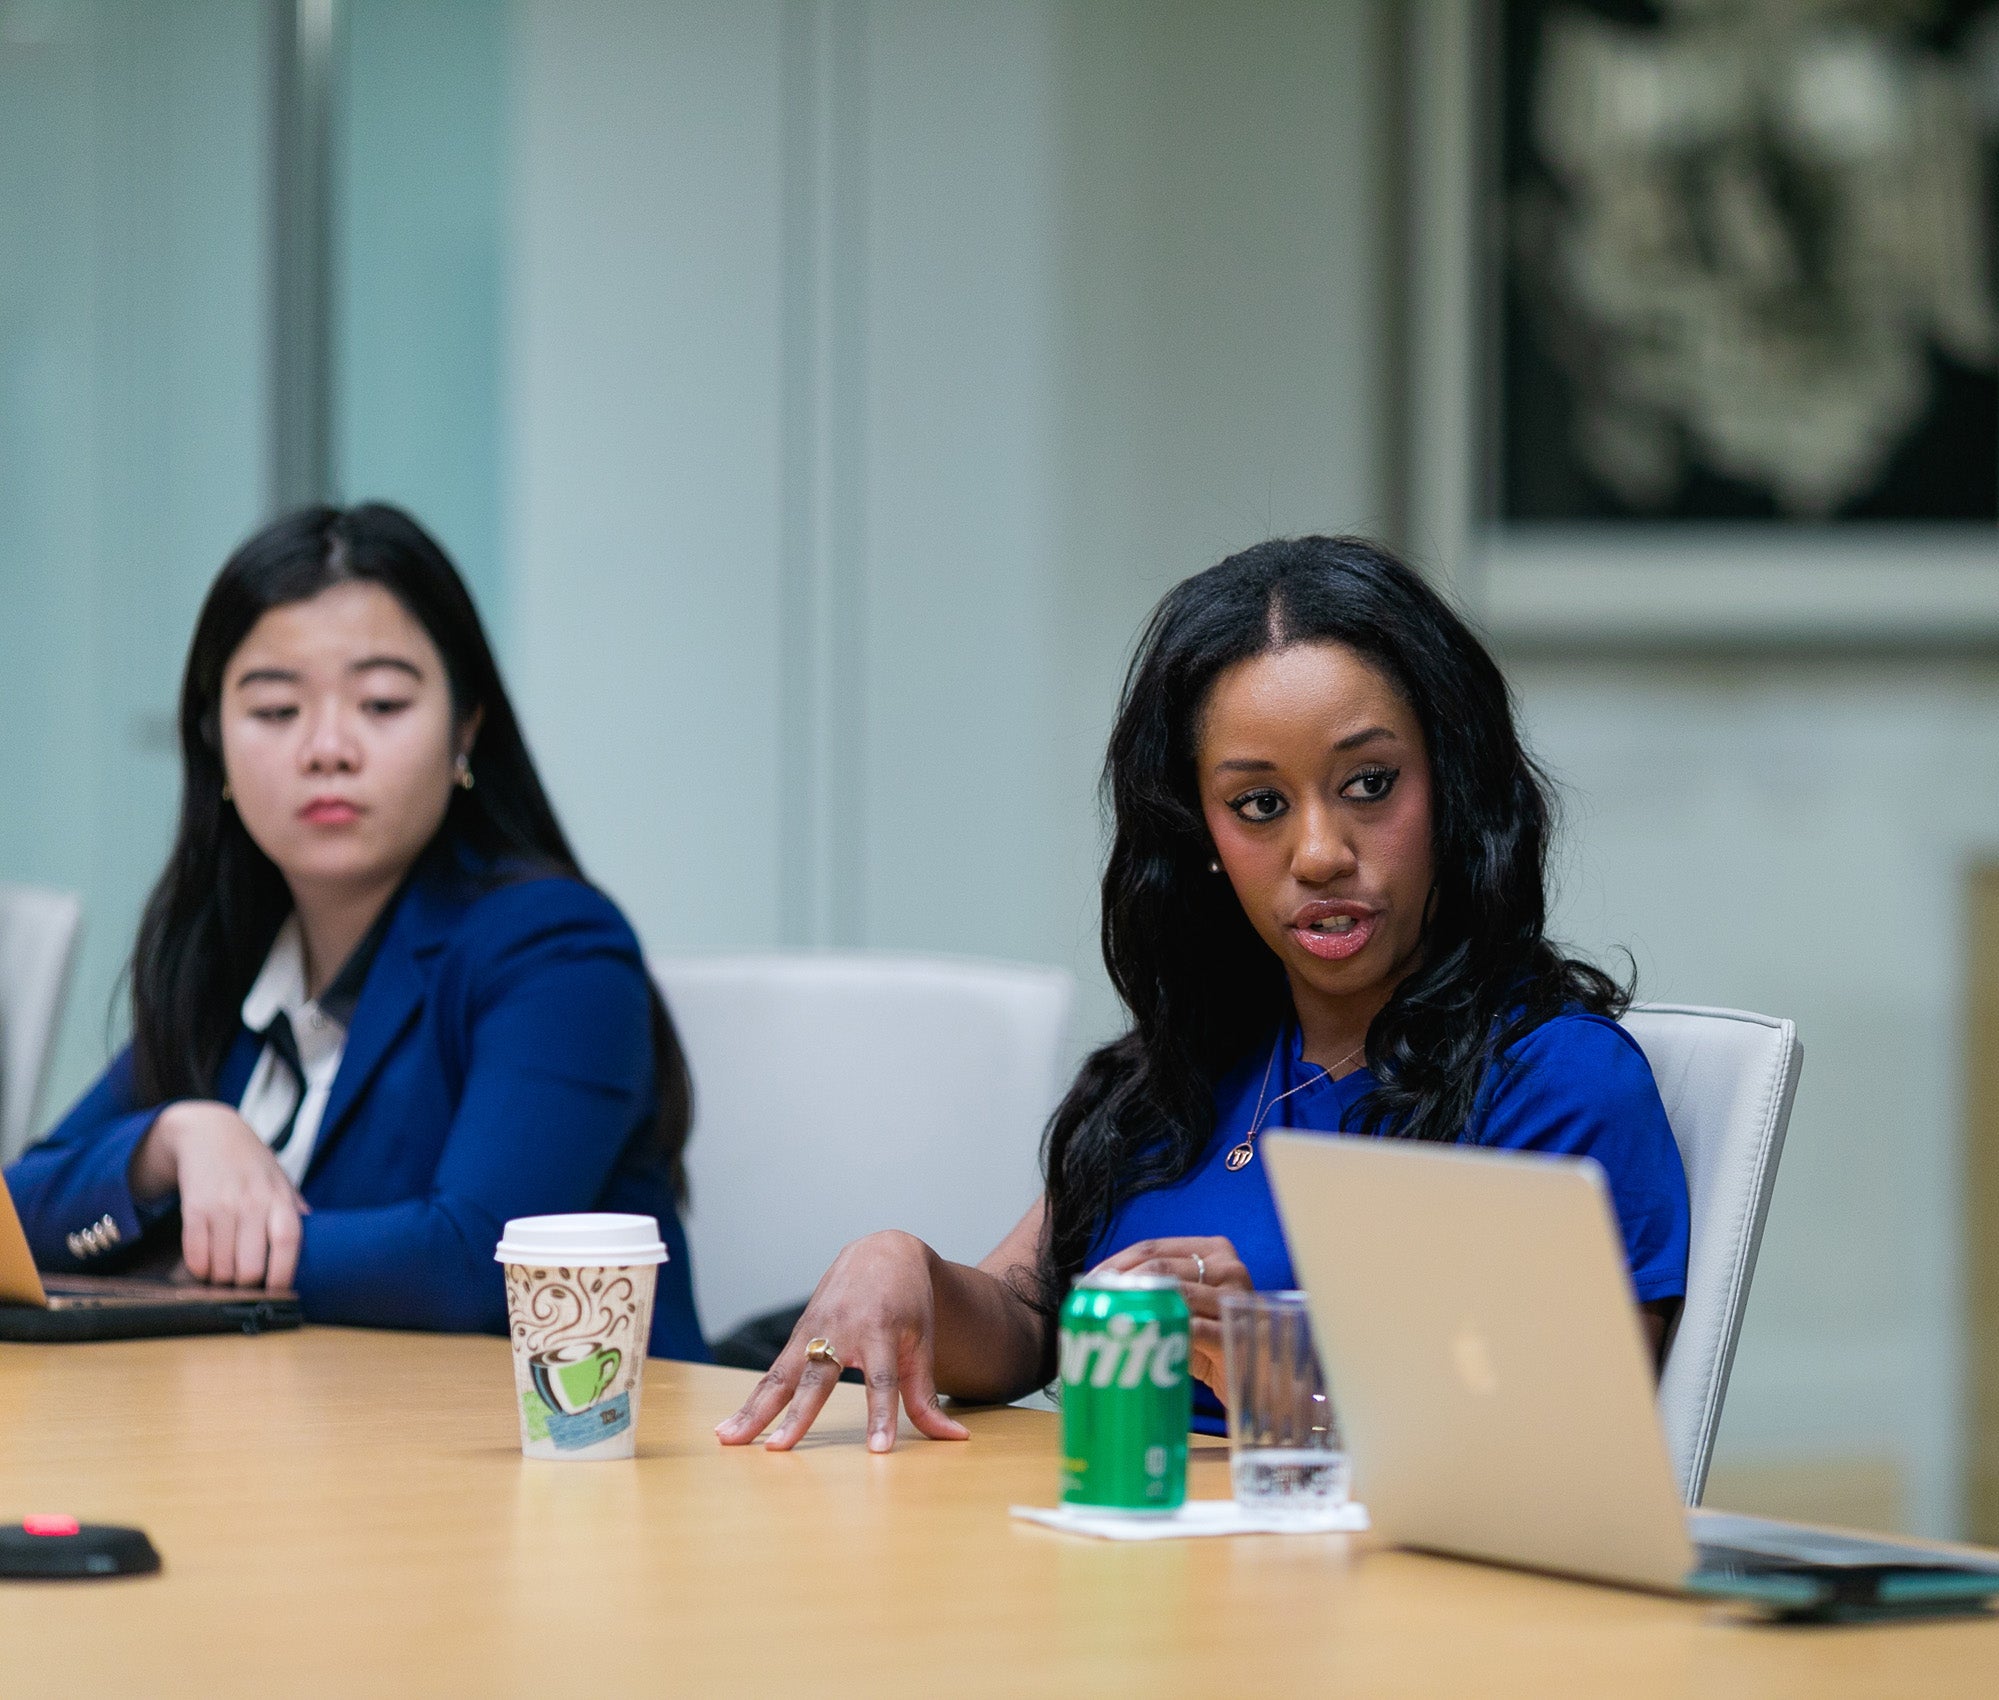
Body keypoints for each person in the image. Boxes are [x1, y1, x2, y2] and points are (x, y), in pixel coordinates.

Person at [719, 535, 1691, 1452]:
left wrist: (1268, 1368)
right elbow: (1027, 1316)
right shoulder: (1186, 1066)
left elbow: (1557, 1453)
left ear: (1455, 784)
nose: (1319, 852)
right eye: (1259, 804)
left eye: (1370, 783)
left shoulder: (1555, 1080)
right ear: (1202, 839)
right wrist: (909, 1269)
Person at [7, 504, 710, 1361]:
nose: (328, 748)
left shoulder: (558, 948)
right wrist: (172, 1142)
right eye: (274, 710)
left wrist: (176, 1250)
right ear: (214, 743)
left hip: (561, 1464)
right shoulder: (229, 964)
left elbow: (473, 1261)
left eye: (380, 702)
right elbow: (18, 1215)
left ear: (466, 729)